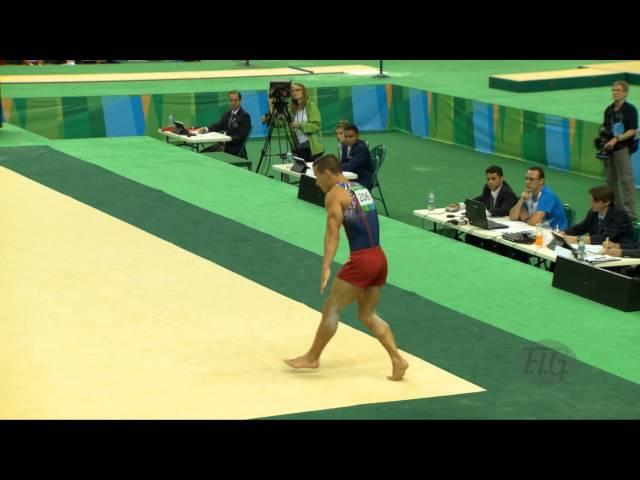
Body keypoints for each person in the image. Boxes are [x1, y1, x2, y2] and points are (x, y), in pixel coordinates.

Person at [285, 154, 409, 381]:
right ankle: (397, 359)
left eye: (317, 177)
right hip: (379, 258)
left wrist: (326, 265)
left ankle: (312, 357)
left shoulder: (334, 195)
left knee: (331, 308)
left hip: (362, 260)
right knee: (367, 314)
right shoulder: (361, 188)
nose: (316, 182)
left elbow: (333, 233)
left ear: (327, 174)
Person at [602, 80, 638, 220]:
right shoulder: (609, 110)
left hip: (622, 148)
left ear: (625, 93)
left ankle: (630, 214)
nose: (615, 92)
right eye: (613, 90)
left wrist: (616, 139)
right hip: (609, 149)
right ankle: (616, 210)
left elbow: (633, 130)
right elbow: (606, 128)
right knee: (610, 181)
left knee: (626, 180)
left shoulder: (630, 109)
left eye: (618, 90)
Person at [563, 185, 634, 246]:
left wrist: (578, 239)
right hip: (598, 249)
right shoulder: (593, 212)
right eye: (591, 201)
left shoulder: (620, 215)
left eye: (595, 202)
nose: (591, 204)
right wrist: (564, 233)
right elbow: (582, 227)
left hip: (620, 251)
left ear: (607, 202)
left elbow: (605, 237)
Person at [509, 166, 568, 230]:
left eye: (531, 179)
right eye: (526, 178)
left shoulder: (548, 196)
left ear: (541, 181)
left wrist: (525, 219)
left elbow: (534, 222)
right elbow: (513, 217)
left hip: (554, 233)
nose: (527, 182)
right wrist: (521, 200)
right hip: (538, 231)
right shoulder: (527, 194)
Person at [447, 165, 518, 216]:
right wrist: (460, 205)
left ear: (501, 179)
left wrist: (483, 213)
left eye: (493, 179)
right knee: (469, 236)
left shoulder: (508, 193)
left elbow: (504, 210)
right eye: (488, 179)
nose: (490, 182)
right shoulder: (487, 187)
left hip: (506, 228)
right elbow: (481, 199)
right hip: (493, 221)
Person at [198, 90, 251, 158]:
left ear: (240, 101)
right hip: (223, 145)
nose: (233, 103)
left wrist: (226, 140)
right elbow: (219, 126)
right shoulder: (227, 114)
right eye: (231, 100)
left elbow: (241, 137)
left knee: (207, 156)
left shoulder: (245, 116)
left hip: (234, 148)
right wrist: (206, 128)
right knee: (202, 154)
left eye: (235, 100)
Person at [340, 124, 374, 190]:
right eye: (346, 136)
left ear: (357, 136)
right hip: (351, 175)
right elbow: (343, 163)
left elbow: (349, 166)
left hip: (362, 178)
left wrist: (333, 167)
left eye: (351, 136)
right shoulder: (344, 146)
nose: (348, 139)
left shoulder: (361, 148)